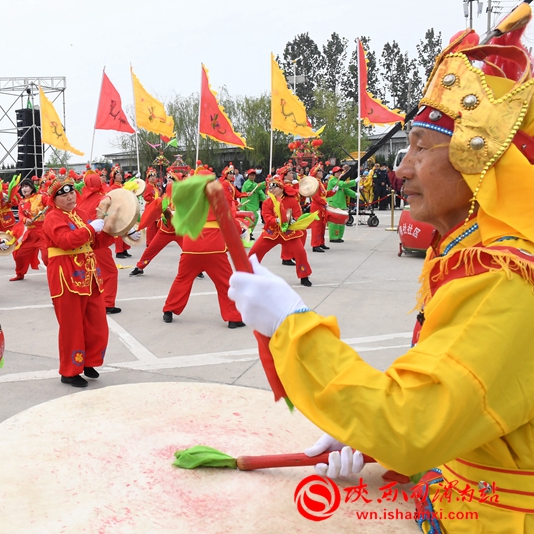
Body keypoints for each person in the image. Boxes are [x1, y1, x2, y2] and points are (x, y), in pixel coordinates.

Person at [228, 26, 534, 533]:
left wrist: (292, 325)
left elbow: (412, 423)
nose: (403, 168)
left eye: (420, 148)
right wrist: (366, 434)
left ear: (483, 161)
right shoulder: (470, 255)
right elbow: (461, 410)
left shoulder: (507, 280)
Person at [42, 172, 115, 387]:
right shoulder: (52, 217)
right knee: (71, 326)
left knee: (97, 323)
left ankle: (88, 361)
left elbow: (96, 242)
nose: (69, 197)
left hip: (88, 275)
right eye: (62, 194)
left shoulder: (81, 214)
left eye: (71, 191)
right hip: (66, 276)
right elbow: (65, 241)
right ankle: (70, 371)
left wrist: (117, 230)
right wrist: (91, 228)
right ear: (54, 199)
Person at [162, 168, 245, 328]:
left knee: (182, 280)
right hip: (214, 248)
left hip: (190, 247)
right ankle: (233, 318)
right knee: (225, 283)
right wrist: (240, 231)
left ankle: (169, 310)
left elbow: (174, 218)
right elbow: (228, 219)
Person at [78, 168, 131, 314]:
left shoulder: (81, 200)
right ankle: (107, 303)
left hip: (82, 242)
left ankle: (84, 300)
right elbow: (114, 219)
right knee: (110, 272)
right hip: (98, 242)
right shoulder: (104, 199)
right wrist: (128, 230)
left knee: (87, 272)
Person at [248, 176, 312, 286]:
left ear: (282, 188)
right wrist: (276, 220)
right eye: (270, 188)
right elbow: (267, 217)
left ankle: (304, 276)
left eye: (274, 187)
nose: (271, 190)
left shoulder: (292, 200)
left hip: (289, 233)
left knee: (300, 252)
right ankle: (247, 274)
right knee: (254, 252)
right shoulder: (267, 202)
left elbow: (297, 214)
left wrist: (292, 220)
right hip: (271, 232)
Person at [10, 178, 48, 281]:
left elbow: (51, 204)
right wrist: (25, 220)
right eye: (22, 187)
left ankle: (57, 274)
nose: (24, 189)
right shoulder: (22, 203)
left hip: (42, 232)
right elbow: (21, 215)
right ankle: (20, 274)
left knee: (46, 257)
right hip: (31, 233)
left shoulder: (41, 197)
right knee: (19, 254)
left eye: (26, 186)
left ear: (32, 188)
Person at [325, 167, 356, 243]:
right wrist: (354, 181)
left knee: (341, 221)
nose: (339, 173)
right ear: (334, 173)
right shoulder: (332, 180)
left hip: (341, 203)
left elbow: (346, 190)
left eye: (340, 172)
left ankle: (339, 236)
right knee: (334, 222)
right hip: (334, 203)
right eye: (337, 172)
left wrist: (355, 194)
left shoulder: (340, 181)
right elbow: (342, 184)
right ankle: (333, 237)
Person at [307, 166, 330, 253]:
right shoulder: (314, 183)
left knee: (322, 226)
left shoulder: (320, 182)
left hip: (321, 206)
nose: (321, 172)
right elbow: (315, 196)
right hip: (317, 206)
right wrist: (324, 203)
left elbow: (325, 194)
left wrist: (334, 191)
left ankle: (321, 242)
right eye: (319, 171)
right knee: (316, 226)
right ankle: (315, 244)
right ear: (316, 173)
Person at [239, 170, 266, 241]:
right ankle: (247, 233)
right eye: (251, 175)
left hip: (252, 206)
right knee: (252, 218)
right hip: (247, 205)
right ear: (248, 176)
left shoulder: (255, 184)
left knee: (252, 219)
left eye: (253, 175)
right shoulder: (247, 183)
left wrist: (266, 200)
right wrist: (266, 182)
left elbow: (260, 193)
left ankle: (248, 232)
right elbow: (256, 187)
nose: (252, 176)